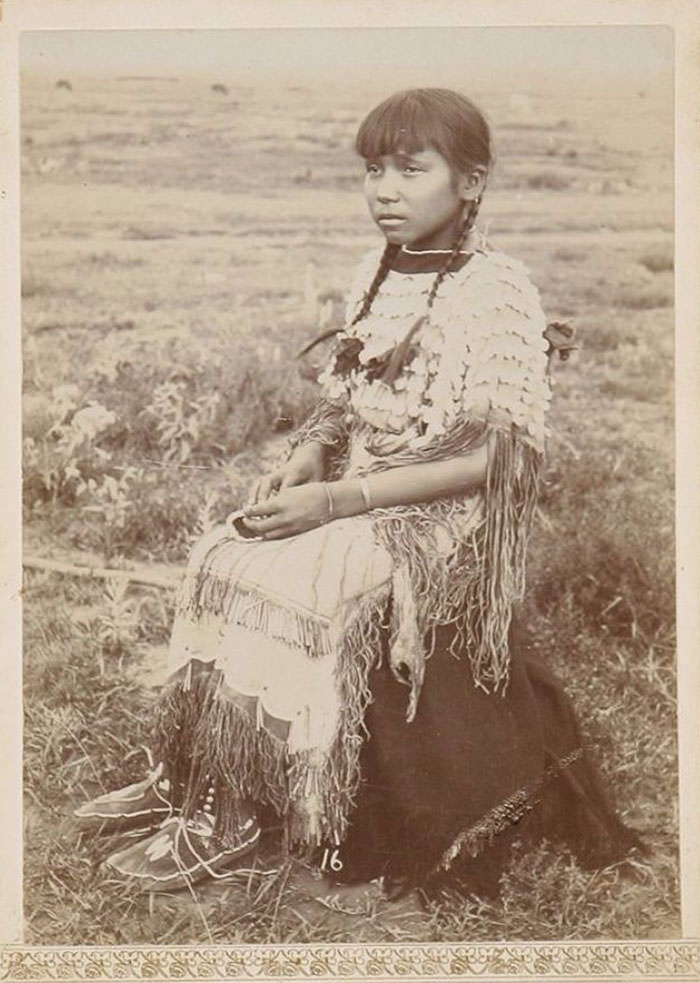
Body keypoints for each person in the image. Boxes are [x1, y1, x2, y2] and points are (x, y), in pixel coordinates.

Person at [76, 88, 639, 898]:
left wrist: (339, 503)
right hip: (364, 488)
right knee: (222, 548)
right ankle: (190, 776)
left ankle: (238, 817)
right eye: (374, 170)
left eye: (413, 170)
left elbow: (501, 456)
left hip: (438, 513)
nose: (385, 190)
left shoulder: (497, 290)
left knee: (286, 574)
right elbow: (346, 396)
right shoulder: (372, 273)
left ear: (470, 183)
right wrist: (311, 455)